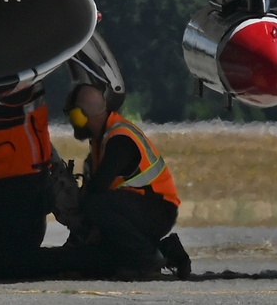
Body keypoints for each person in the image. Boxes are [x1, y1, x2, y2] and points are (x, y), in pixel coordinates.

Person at [36, 82, 190, 280]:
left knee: (95, 204)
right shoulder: (102, 141)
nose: (73, 123)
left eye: (74, 116)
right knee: (99, 260)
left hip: (156, 209)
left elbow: (98, 189)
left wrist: (71, 202)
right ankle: (166, 250)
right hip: (133, 212)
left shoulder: (119, 139)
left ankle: (146, 257)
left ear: (84, 115)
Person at [0, 83, 55, 279]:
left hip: (23, 182)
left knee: (14, 265)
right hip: (3, 182)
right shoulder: (27, 76)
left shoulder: (24, 79)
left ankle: (84, 258)